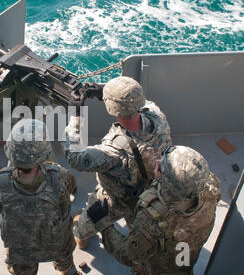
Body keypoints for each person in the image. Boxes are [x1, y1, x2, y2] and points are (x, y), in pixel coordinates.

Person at [64, 76, 172, 249]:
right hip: (152, 193)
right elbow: (139, 102)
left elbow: (75, 158)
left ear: (112, 108)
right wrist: (103, 95)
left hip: (117, 200)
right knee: (138, 226)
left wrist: (75, 116)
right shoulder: (157, 116)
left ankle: (81, 238)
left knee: (85, 224)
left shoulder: (114, 150)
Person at [93, 146, 221, 275]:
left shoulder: (151, 222)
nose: (157, 162)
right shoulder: (210, 191)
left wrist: (103, 225)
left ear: (161, 176)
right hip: (185, 262)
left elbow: (129, 255)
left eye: (160, 166)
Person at [0, 118, 80, 275]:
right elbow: (72, 187)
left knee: (23, 272)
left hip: (21, 251)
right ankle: (67, 274)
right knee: (64, 259)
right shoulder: (60, 176)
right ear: (44, 153)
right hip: (56, 244)